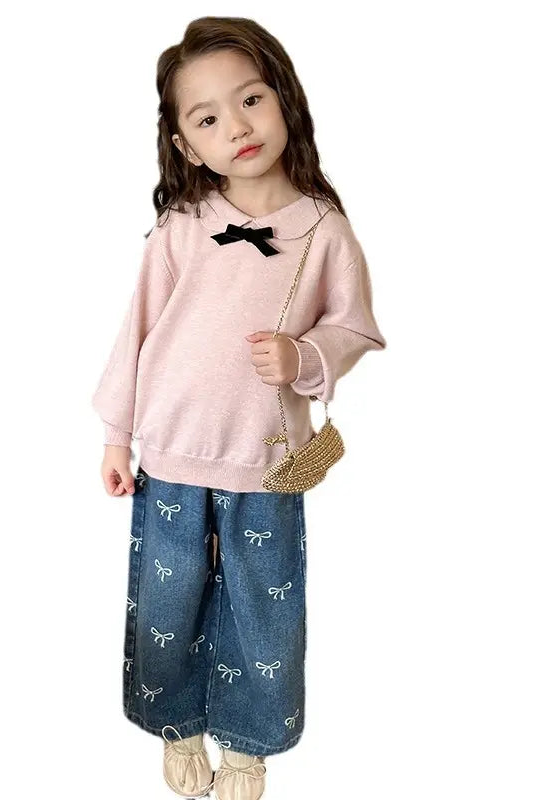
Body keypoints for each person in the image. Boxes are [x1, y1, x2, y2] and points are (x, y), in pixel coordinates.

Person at [90, 16, 387, 800]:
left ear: (283, 97)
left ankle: (249, 743)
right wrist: (117, 436)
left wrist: (305, 356)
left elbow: (355, 327)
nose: (238, 126)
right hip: (172, 456)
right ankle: (178, 724)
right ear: (186, 146)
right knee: (169, 598)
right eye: (208, 118)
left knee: (263, 609)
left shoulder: (323, 230)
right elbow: (137, 332)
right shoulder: (181, 227)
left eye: (250, 99)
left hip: (266, 460)